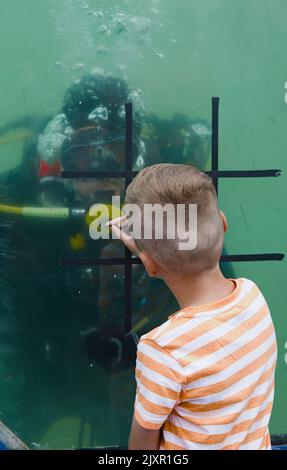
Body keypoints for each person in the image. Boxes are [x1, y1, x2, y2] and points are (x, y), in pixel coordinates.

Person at [109, 163, 277, 450]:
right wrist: (147, 253)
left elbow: (142, 447)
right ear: (223, 223)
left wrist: (149, 255)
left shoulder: (162, 349)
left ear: (149, 264)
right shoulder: (253, 296)